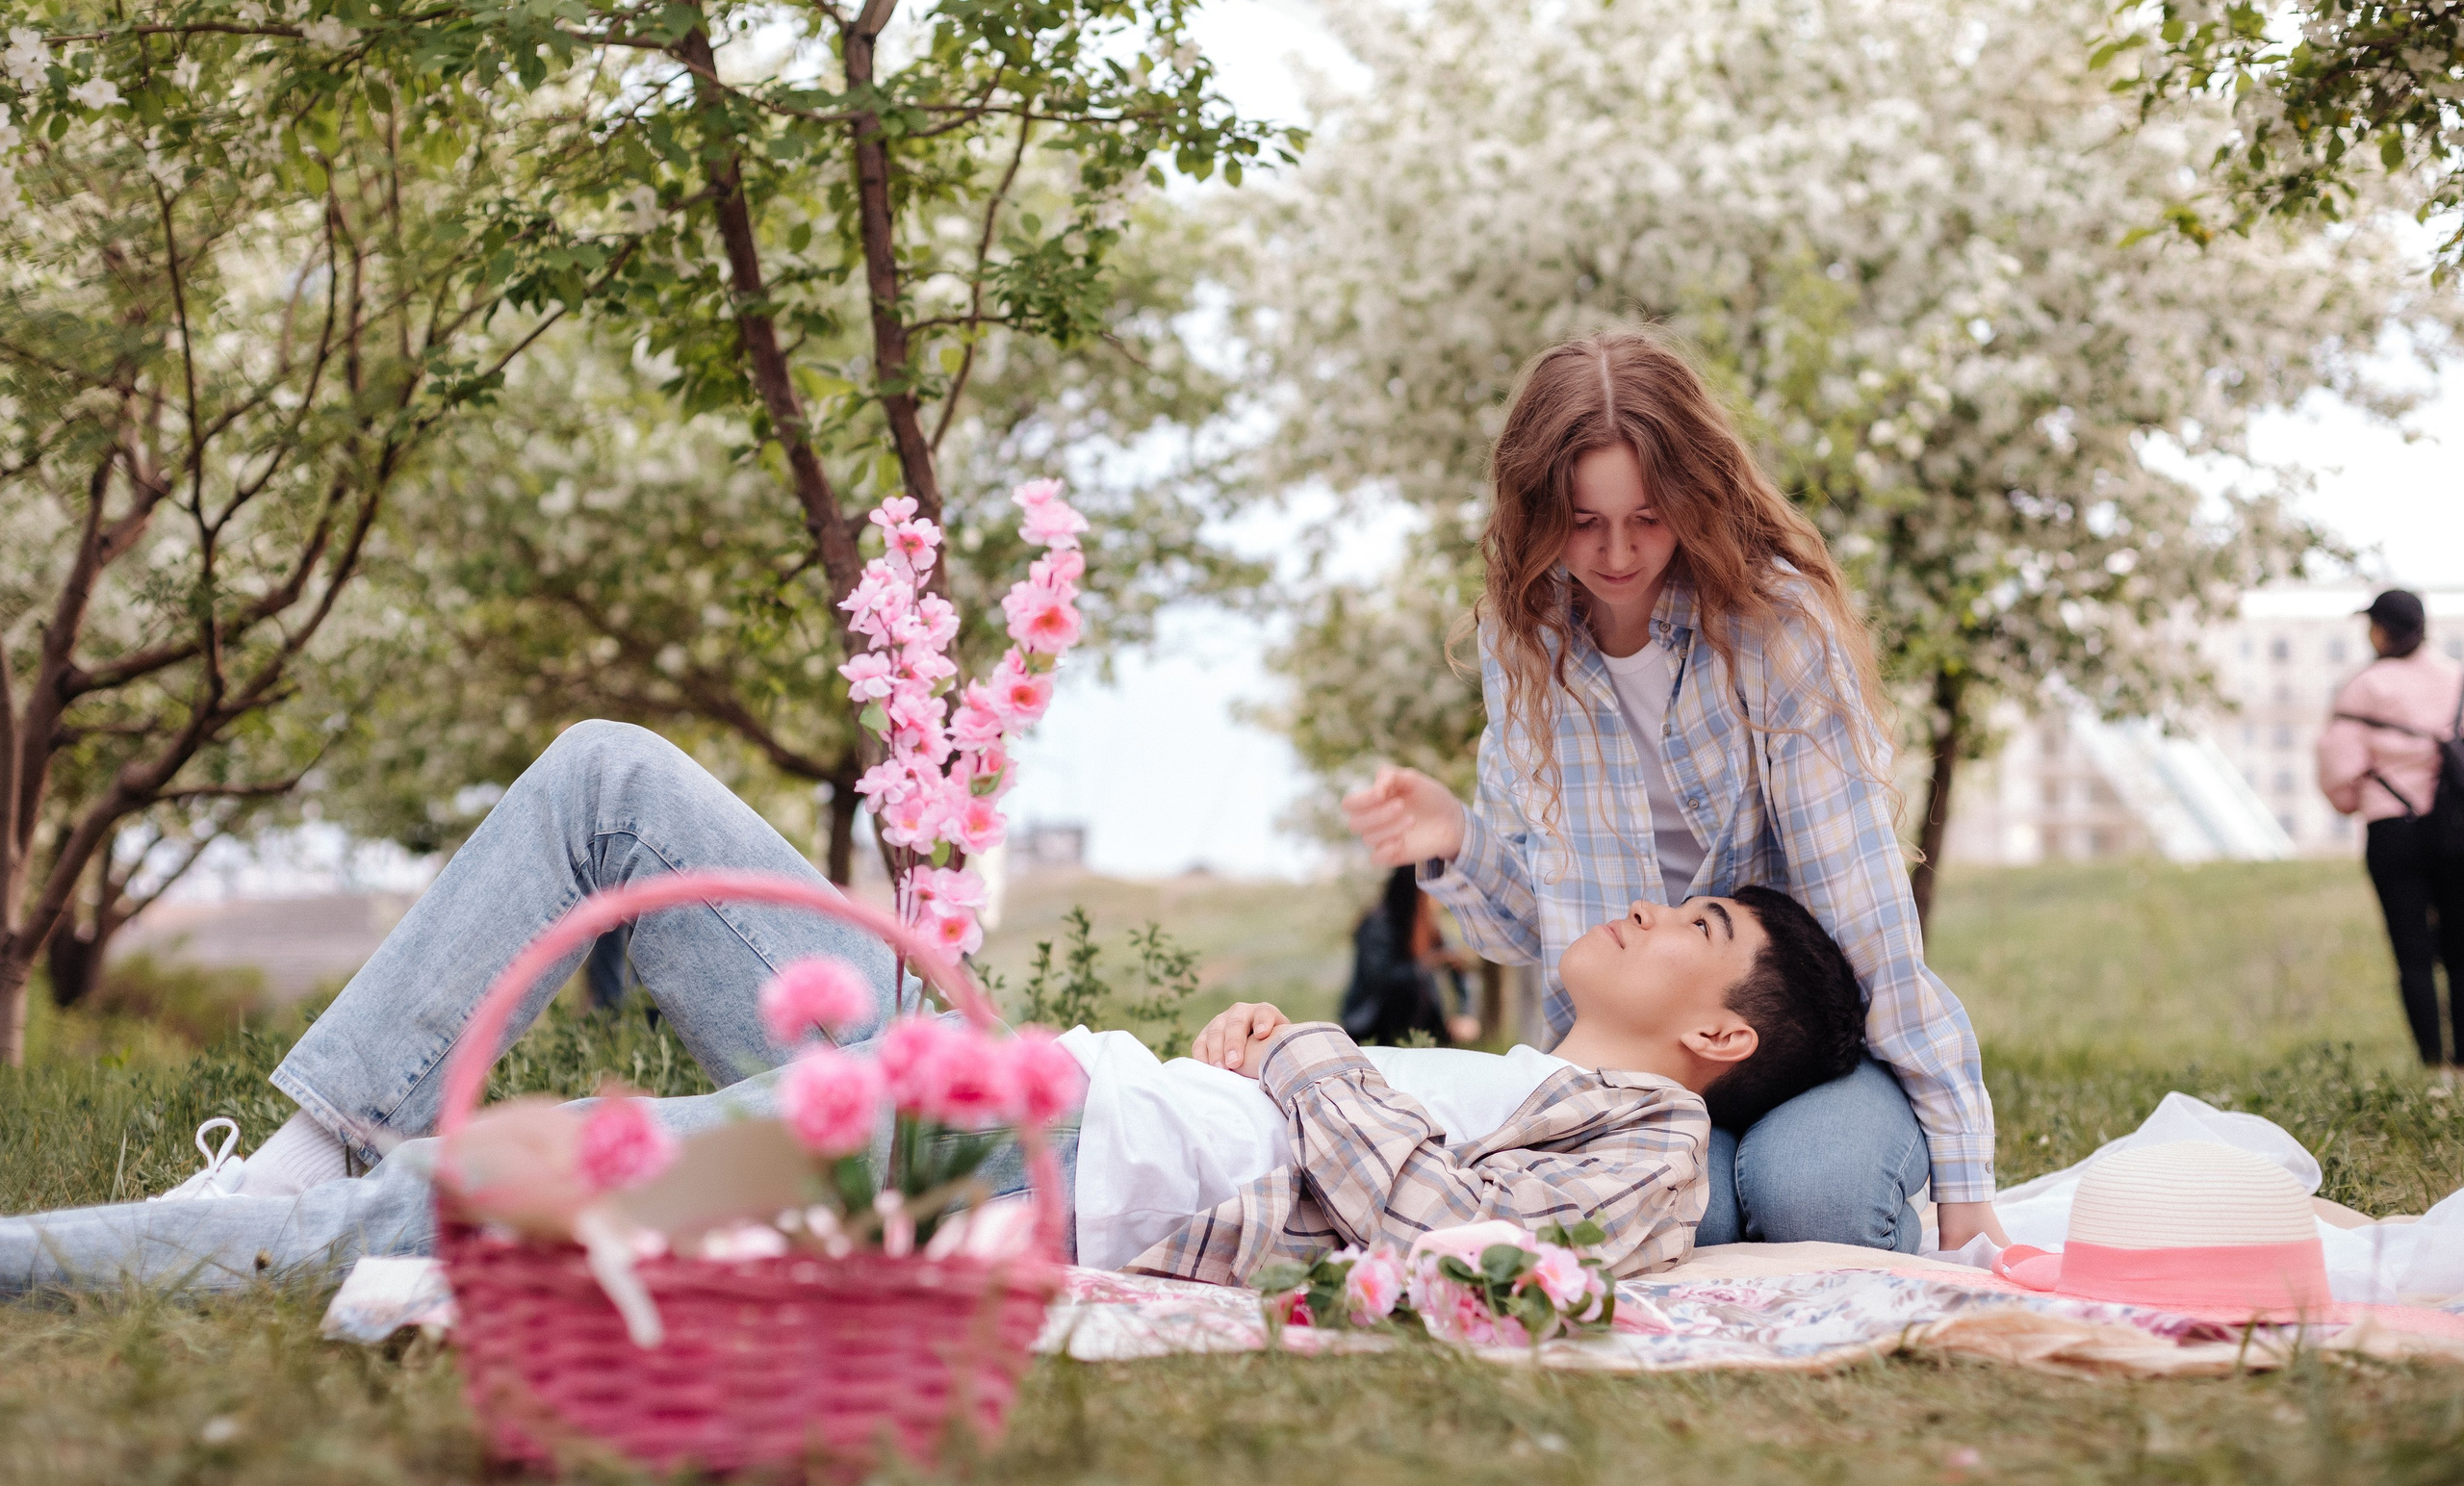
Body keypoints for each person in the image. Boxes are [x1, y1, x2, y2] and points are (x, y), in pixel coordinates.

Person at [1, 721, 1868, 1295]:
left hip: (1017, 1156)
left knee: (484, 1196)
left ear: (1720, 1032)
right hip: (1001, 1075)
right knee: (607, 782)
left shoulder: (1651, 1148)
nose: (1637, 902)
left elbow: (1447, 1250)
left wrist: (1297, 1050)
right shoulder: (1512, 1058)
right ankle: (317, 1133)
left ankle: (53, 1259)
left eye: (1693, 914)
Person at [1335, 326, 2005, 1256]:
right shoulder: (1526, 640)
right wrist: (1454, 837)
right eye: (1582, 520)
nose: (1616, 552)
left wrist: (1967, 1183)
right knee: (1692, 1218)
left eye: (1647, 516)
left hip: (1791, 1048)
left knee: (1815, 1197)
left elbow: (1867, 918)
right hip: (1636, 1070)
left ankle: (1806, 1156)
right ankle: (1723, 1170)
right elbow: (1536, 930)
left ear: (1693, 495)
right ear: (1536, 512)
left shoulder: (1773, 625)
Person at [2318, 588, 2464, 1083]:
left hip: (2392, 831)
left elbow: (2340, 774)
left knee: (2412, 952)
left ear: (2381, 630)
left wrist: (2360, 797)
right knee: (2461, 950)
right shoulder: (2456, 678)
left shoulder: (2363, 687)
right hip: (2455, 832)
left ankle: (2434, 1068)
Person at [1336, 864, 1480, 1047]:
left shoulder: (1430, 929)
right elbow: (1380, 980)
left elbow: (1459, 968)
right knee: (1414, 985)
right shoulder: (1378, 925)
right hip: (1370, 1024)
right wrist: (1427, 964)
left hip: (1416, 1025)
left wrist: (1466, 1013)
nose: (1440, 900)